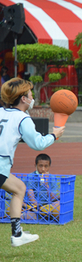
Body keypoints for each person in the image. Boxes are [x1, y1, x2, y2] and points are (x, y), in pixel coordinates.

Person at [0, 77, 64, 246]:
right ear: (23, 99)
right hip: (1, 165)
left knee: (20, 188)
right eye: (30, 94)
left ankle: (17, 233)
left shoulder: (2, 112)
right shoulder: (22, 118)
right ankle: (17, 234)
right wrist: (54, 135)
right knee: (19, 189)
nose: (32, 97)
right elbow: (38, 144)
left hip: (2, 168)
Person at [23, 153, 61, 218]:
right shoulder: (30, 177)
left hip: (48, 205)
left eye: (46, 166)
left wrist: (47, 185)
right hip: (34, 206)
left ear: (49, 166)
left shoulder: (52, 178)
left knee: (59, 203)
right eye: (40, 166)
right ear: (35, 165)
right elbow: (31, 198)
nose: (43, 169)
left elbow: (53, 198)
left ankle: (44, 215)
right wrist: (39, 207)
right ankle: (43, 215)